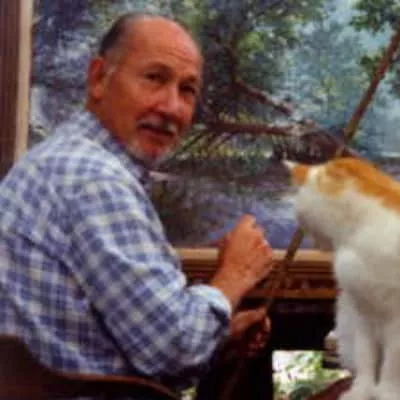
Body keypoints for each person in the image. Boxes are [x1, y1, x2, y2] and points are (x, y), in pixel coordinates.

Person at [0, 12, 274, 393]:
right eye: (155, 78)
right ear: (99, 78)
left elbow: (110, 340)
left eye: (187, 90)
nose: (172, 108)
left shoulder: (62, 160)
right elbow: (174, 349)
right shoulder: (95, 181)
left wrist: (221, 330)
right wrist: (235, 275)